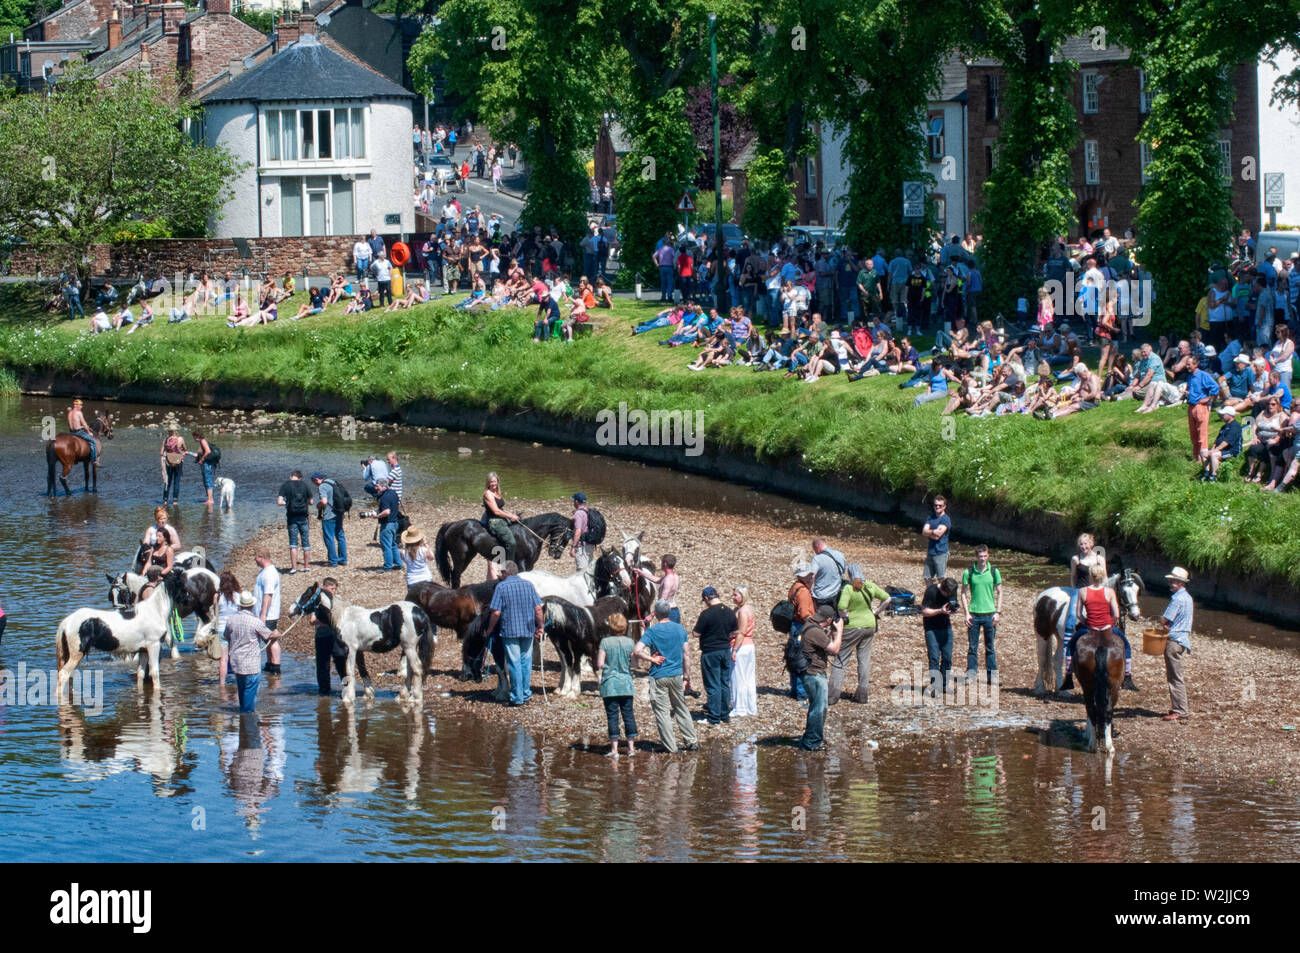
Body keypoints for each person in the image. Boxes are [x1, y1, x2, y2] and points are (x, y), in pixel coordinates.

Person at [634, 601, 699, 753]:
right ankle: (691, 741)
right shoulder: (680, 629)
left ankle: (670, 746)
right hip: (676, 674)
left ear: (655, 614)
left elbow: (637, 650)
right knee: (681, 708)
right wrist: (686, 677)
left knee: (662, 712)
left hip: (658, 675)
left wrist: (651, 659)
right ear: (669, 612)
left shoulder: (652, 631)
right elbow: (686, 655)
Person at [486, 561, 545, 706]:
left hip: (510, 631)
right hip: (528, 629)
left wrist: (489, 629)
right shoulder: (528, 585)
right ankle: (525, 694)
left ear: (506, 572)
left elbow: (496, 612)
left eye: (501, 572)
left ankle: (517, 698)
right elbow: (538, 608)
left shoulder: (501, 587)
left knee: (514, 664)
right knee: (526, 662)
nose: (500, 575)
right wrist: (541, 627)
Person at [830, 564, 890, 705]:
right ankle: (862, 696)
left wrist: (845, 618)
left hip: (852, 627)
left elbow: (842, 607)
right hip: (869, 625)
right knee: (864, 660)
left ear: (849, 575)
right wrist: (876, 612)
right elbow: (887, 599)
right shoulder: (870, 585)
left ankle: (832, 696)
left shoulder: (848, 588)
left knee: (841, 660)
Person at [796, 605, 843, 751]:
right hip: (814, 674)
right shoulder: (815, 632)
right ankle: (812, 742)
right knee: (819, 708)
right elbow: (835, 650)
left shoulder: (809, 625)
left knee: (817, 706)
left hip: (808, 673)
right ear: (828, 620)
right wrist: (840, 630)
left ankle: (812, 738)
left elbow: (825, 645)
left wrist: (833, 633)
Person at [226, 591, 280, 713]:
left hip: (236, 663)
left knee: (242, 693)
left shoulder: (231, 620)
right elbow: (269, 636)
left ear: (240, 605)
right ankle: (247, 725)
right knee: (249, 705)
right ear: (252, 606)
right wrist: (277, 634)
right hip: (251, 666)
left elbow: (226, 636)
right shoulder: (255, 622)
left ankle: (243, 726)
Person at [693, 587, 738, 726]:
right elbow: (735, 631)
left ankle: (714, 716)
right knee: (724, 683)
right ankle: (725, 714)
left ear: (707, 598)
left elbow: (696, 633)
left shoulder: (706, 614)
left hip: (710, 651)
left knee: (713, 685)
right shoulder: (730, 611)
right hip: (725, 650)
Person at [959, 544, 1002, 685]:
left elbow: (1000, 592)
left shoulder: (994, 571)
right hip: (974, 615)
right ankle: (971, 675)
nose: (983, 559)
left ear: (988, 555)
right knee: (972, 647)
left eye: (985, 556)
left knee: (990, 647)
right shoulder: (969, 572)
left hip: (990, 615)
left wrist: (998, 612)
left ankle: (992, 676)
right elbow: (963, 593)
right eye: (980, 556)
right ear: (976, 557)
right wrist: (966, 613)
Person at [596, 613, 638, 757]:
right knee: (628, 715)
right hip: (626, 683)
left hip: (610, 684)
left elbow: (600, 664)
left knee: (612, 716)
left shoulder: (605, 642)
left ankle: (614, 750)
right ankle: (631, 748)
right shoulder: (630, 642)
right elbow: (634, 664)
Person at [1157, 567, 1194, 722]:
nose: (1170, 583)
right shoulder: (1187, 597)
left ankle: (1180, 710)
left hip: (1174, 641)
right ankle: (1179, 707)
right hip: (1182, 639)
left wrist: (1163, 622)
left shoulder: (1177, 599)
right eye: (1170, 580)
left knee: (1174, 676)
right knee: (1175, 675)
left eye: (1173, 581)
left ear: (1180, 583)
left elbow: (1163, 619)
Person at [921, 577, 958, 696]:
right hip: (931, 628)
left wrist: (953, 610)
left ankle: (944, 685)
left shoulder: (952, 589)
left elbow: (954, 604)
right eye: (946, 594)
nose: (948, 596)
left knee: (947, 658)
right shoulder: (931, 591)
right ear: (942, 588)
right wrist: (940, 611)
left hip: (946, 627)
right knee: (934, 658)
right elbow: (924, 611)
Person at [312, 577, 349, 696]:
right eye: (331, 589)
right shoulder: (318, 601)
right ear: (324, 588)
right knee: (323, 665)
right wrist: (328, 622)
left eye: (334, 589)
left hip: (337, 636)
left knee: (341, 661)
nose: (333, 591)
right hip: (322, 636)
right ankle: (324, 691)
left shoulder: (339, 599)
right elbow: (312, 620)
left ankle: (347, 687)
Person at [786, 563, 817, 701]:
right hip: (801, 626)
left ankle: (794, 689)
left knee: (793, 656)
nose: (811, 576)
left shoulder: (795, 587)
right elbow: (805, 614)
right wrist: (816, 627)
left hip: (794, 625)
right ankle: (801, 692)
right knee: (801, 658)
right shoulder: (803, 591)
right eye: (809, 574)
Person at [1184, 354, 1221, 462]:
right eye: (1186, 364)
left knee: (1202, 434)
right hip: (1191, 406)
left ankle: (1203, 458)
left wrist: (1209, 398)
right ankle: (1196, 456)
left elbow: (1215, 387)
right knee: (1193, 434)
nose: (1187, 366)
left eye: (1189, 364)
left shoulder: (1203, 375)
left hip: (1200, 407)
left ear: (1196, 364)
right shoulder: (1190, 376)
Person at [276, 469, 312, 574]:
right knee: (306, 542)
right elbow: (311, 501)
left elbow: (279, 502)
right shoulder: (305, 485)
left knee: (293, 543)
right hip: (303, 517)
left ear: (291, 476)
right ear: (300, 478)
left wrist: (287, 503)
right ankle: (306, 567)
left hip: (292, 517)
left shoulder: (286, 485)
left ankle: (294, 568)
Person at [253, 547, 282, 675]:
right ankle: (270, 664)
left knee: (271, 639)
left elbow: (268, 595)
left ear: (261, 557)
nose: (254, 559)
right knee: (268, 640)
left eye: (255, 556)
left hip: (268, 615)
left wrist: (263, 614)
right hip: (262, 613)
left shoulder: (269, 573)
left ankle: (276, 666)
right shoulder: (264, 572)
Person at [728, 587, 757, 717]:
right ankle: (750, 707)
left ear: (743, 595)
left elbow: (741, 632)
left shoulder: (743, 611)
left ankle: (739, 708)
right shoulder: (748, 609)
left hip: (741, 646)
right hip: (748, 645)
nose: (733, 597)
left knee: (737, 677)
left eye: (735, 595)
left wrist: (734, 650)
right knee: (748, 677)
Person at [312, 473, 348, 567]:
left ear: (316, 479)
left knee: (329, 538)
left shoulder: (322, 487)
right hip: (339, 512)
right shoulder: (333, 482)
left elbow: (324, 501)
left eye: (313, 482)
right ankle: (343, 559)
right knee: (340, 536)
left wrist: (319, 506)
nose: (314, 484)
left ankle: (333, 561)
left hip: (329, 515)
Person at [1201, 406, 1243, 482]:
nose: (1221, 416)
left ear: (1230, 415)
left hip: (1232, 451)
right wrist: (1213, 448)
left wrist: (1214, 451)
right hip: (1221, 450)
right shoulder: (1224, 426)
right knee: (1203, 452)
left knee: (1214, 454)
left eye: (1223, 414)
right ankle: (1206, 473)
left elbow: (1226, 442)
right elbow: (1217, 440)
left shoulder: (1235, 427)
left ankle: (1213, 476)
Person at [635, 554, 679, 623]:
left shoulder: (668, 580)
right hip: (673, 611)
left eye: (661, 562)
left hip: (669, 613)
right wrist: (642, 573)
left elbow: (662, 601)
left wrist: (651, 615)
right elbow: (657, 580)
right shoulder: (673, 576)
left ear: (665, 564)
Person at [370, 478, 403, 571]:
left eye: (377, 486)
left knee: (386, 546)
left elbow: (387, 511)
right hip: (395, 523)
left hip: (387, 524)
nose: (376, 488)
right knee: (393, 544)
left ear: (384, 486)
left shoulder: (384, 497)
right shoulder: (393, 493)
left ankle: (387, 566)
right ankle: (398, 564)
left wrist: (377, 516)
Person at [215, 570, 241, 682]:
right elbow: (240, 612)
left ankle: (222, 684)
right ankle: (237, 682)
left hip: (221, 629)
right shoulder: (238, 596)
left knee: (223, 659)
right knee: (235, 658)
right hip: (234, 629)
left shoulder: (217, 596)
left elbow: (215, 612)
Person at [810, 537, 847, 613]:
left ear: (817, 547)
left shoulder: (817, 558)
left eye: (815, 550)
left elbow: (812, 576)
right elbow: (843, 571)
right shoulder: (840, 554)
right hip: (836, 593)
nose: (815, 552)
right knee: (834, 618)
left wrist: (809, 590)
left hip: (821, 596)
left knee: (821, 619)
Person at [921, 495, 951, 583]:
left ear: (944, 506)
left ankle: (942, 595)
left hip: (941, 552)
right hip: (931, 551)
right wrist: (933, 532)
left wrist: (929, 532)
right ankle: (931, 595)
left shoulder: (945, 519)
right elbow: (923, 531)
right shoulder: (931, 516)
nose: (937, 507)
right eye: (935, 505)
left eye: (940, 505)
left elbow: (938, 535)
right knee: (927, 577)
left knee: (941, 578)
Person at [190, 428, 216, 507]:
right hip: (206, 464)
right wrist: (189, 453)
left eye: (194, 437)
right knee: (206, 481)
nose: (193, 439)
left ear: (197, 436)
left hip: (207, 464)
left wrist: (202, 459)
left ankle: (210, 500)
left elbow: (208, 451)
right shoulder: (202, 442)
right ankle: (209, 498)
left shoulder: (203, 441)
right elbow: (198, 455)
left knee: (208, 480)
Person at [66, 399, 99, 463]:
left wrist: (82, 427)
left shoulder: (69, 413)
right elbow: (84, 423)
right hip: (78, 432)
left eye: (81, 405)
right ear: (75, 405)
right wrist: (89, 432)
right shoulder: (79, 413)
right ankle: (94, 460)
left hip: (71, 432)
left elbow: (72, 425)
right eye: (80, 405)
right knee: (93, 442)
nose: (81, 406)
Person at [160, 426, 186, 506]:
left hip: (168, 462)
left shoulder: (165, 440)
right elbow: (185, 449)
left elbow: (161, 453)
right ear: (176, 431)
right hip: (178, 462)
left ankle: (165, 500)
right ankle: (175, 500)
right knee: (176, 481)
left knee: (168, 481)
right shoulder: (180, 439)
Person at [570, 492, 595, 571]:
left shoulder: (578, 513)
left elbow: (578, 531)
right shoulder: (588, 511)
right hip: (590, 544)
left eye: (573, 500)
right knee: (589, 569)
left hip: (582, 547)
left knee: (581, 571)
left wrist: (573, 547)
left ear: (576, 502)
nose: (573, 502)